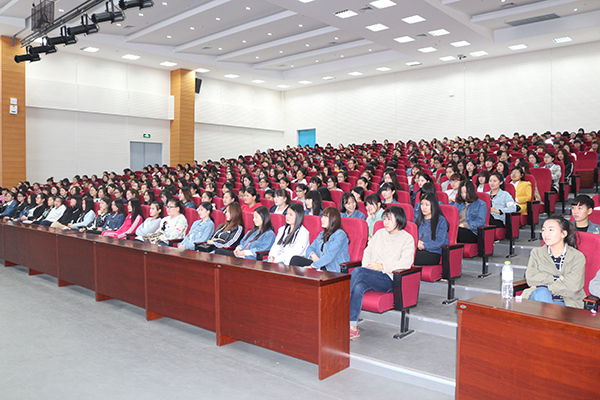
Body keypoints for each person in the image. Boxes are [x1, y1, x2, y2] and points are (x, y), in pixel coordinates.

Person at [349, 206, 415, 340]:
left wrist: (382, 266)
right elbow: (367, 251)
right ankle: (353, 327)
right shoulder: (379, 233)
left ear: (399, 220)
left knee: (358, 272)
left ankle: (337, 304)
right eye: (384, 218)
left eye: (389, 219)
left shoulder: (407, 239)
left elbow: (405, 263)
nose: (385, 222)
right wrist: (367, 266)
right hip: (371, 273)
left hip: (390, 278)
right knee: (358, 287)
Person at [521, 216, 586, 308]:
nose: (545, 234)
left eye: (551, 230)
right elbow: (531, 278)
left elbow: (573, 285)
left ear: (563, 234)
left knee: (544, 298)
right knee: (542, 293)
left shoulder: (577, 256)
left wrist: (546, 287)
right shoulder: (536, 253)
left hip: (567, 301)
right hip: (538, 298)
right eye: (543, 230)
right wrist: (557, 279)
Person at [290, 207, 350, 272]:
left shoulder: (340, 234)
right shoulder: (322, 234)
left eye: (326, 217)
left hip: (331, 268)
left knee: (303, 269)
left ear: (334, 219)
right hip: (320, 265)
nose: (322, 219)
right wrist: (313, 256)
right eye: (322, 216)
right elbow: (310, 248)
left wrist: (312, 266)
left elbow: (330, 256)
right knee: (295, 259)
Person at [414, 193, 449, 265]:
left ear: (433, 205)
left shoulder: (441, 220)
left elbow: (440, 241)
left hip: (433, 252)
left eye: (427, 205)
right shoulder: (418, 219)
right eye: (422, 204)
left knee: (409, 257)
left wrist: (424, 245)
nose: (424, 207)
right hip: (418, 250)